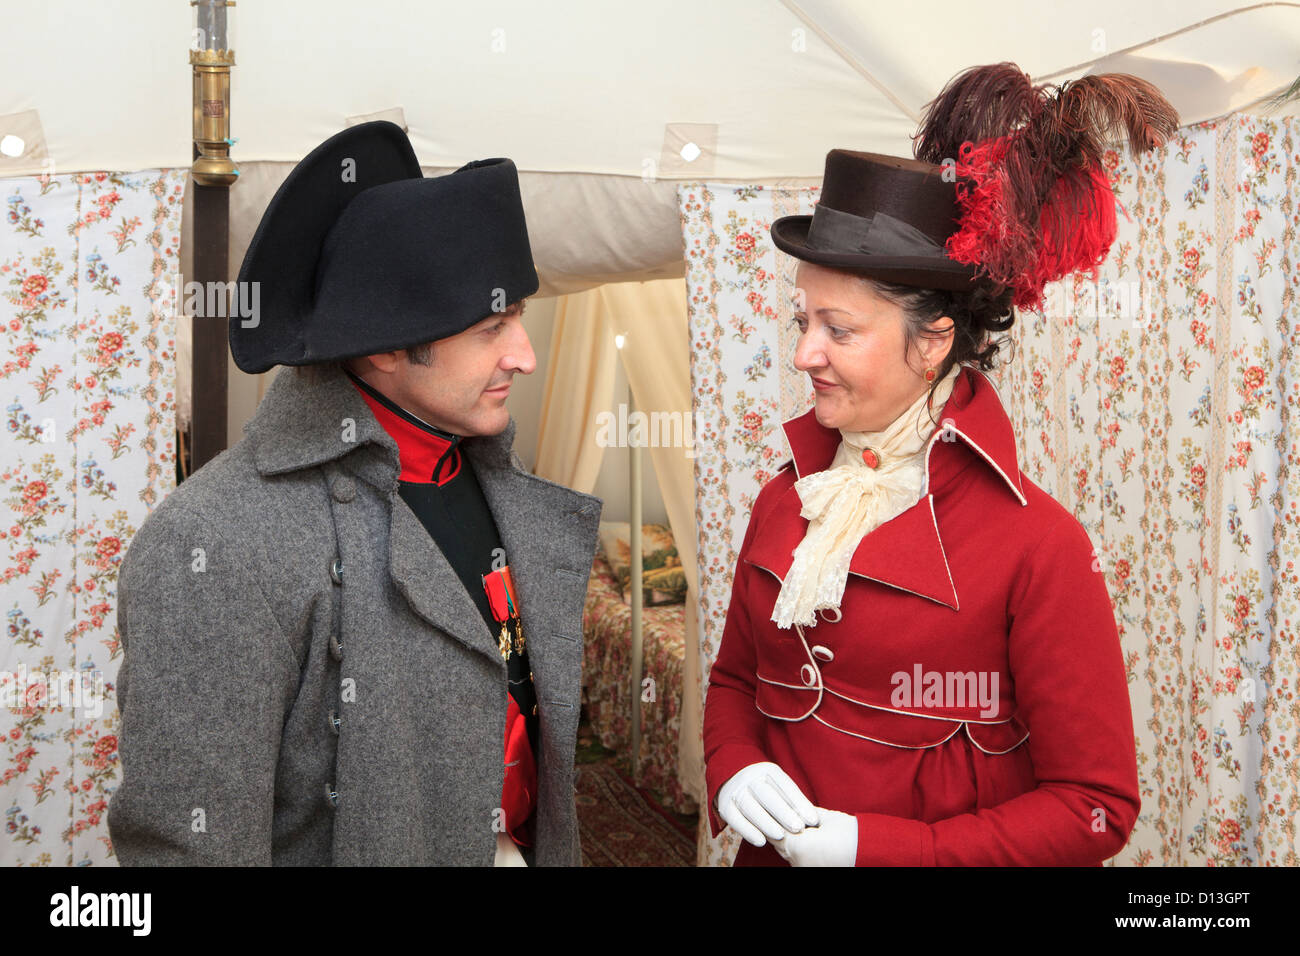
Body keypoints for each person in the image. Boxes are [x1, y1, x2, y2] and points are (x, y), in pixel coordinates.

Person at [702, 63, 1179, 866]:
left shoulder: (1043, 548)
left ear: (932, 343)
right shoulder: (786, 500)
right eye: (802, 320)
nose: (802, 353)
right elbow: (731, 687)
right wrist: (733, 767)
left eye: (838, 330)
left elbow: (1094, 809)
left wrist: (873, 848)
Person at [107, 121, 601, 866]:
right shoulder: (213, 540)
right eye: (492, 328)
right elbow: (190, 850)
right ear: (385, 346)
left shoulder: (482, 471)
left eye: (520, 317)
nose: (524, 356)